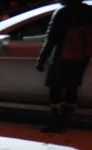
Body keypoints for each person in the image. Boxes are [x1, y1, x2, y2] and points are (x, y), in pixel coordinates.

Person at [35, 0, 92, 133]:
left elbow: (51, 39)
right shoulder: (90, 11)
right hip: (82, 56)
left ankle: (56, 123)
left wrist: (41, 60)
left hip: (62, 55)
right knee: (72, 87)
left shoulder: (61, 13)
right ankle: (66, 123)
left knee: (55, 87)